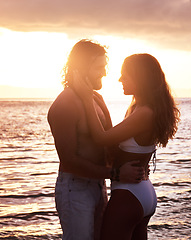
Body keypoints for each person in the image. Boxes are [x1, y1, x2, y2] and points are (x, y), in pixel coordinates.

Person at [73, 53, 180, 240]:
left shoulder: (145, 113)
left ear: (139, 77)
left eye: (125, 75)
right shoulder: (139, 107)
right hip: (139, 193)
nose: (120, 79)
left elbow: (100, 138)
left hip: (129, 196)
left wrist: (86, 98)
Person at [47, 40, 144, 240]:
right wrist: (117, 174)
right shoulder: (65, 104)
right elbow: (69, 161)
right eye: (100, 68)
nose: (105, 73)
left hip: (99, 185)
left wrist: (138, 161)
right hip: (75, 189)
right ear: (82, 68)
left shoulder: (96, 99)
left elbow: (109, 144)